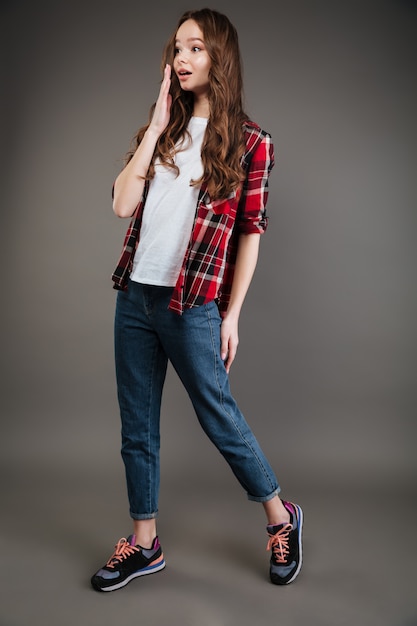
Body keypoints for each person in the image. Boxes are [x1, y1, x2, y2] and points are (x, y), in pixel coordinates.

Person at [91, 7, 303, 592]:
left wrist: (232, 315)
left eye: (196, 49)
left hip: (192, 304)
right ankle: (144, 542)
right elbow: (120, 205)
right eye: (177, 49)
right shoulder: (164, 130)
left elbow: (251, 236)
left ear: (220, 59)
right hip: (135, 297)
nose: (181, 59)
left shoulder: (251, 143)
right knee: (137, 427)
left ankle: (281, 518)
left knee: (218, 417)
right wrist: (157, 125)